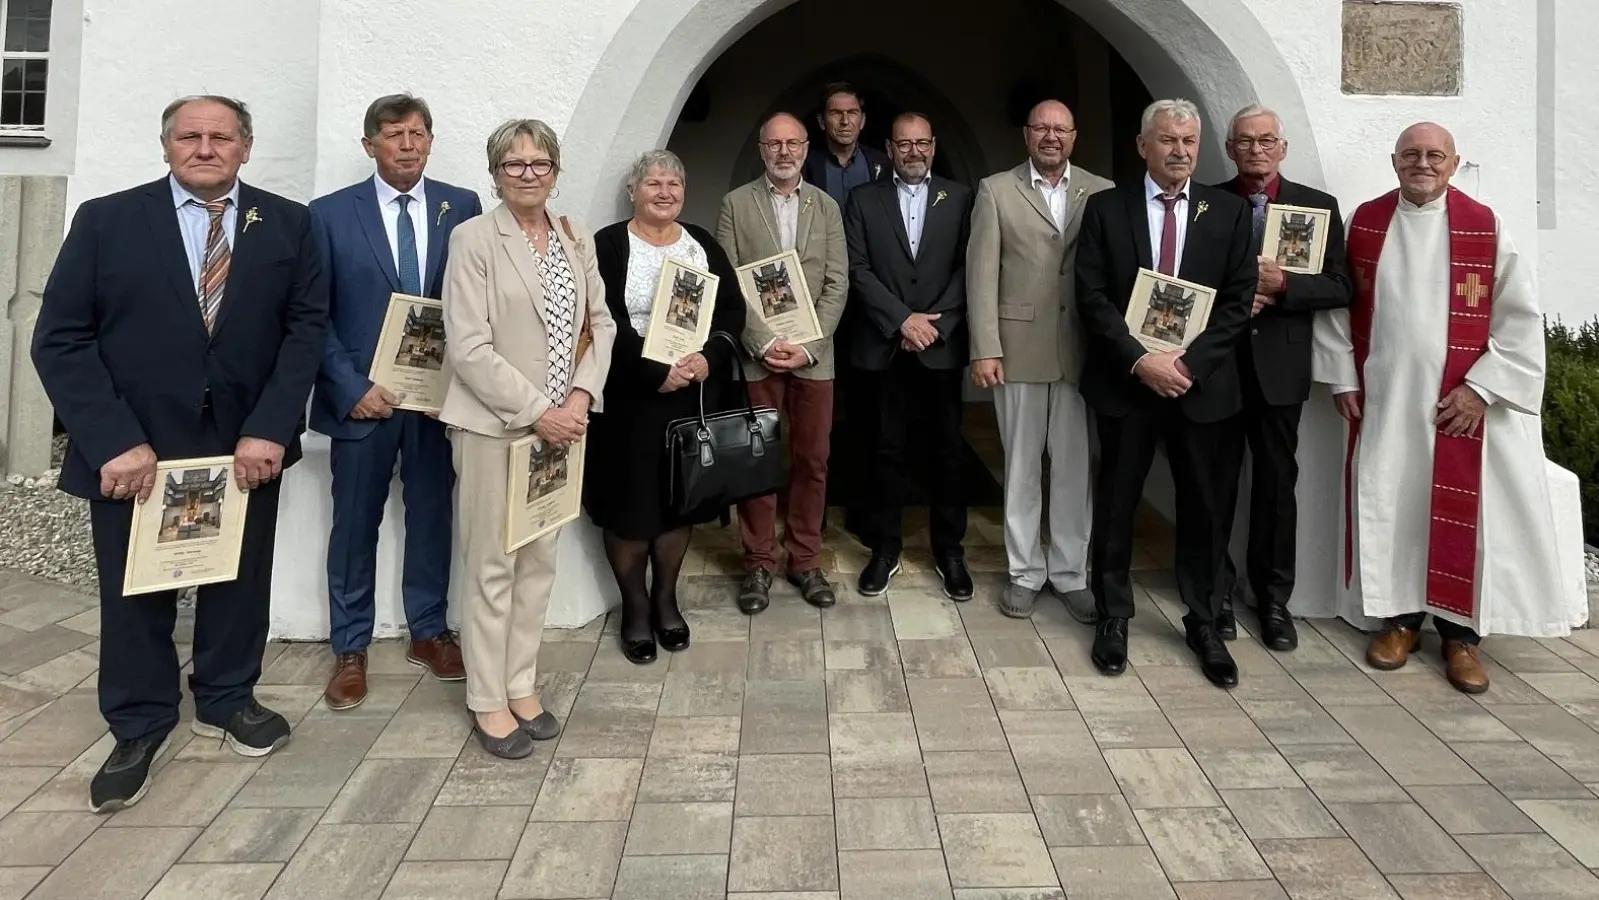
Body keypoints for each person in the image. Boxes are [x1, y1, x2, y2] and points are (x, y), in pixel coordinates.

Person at [31, 95, 329, 811]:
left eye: (220, 137)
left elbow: (305, 331)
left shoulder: (289, 223)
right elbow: (61, 338)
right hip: (138, 450)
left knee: (237, 578)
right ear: (165, 146)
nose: (204, 148)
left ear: (245, 148)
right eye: (188, 136)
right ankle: (138, 721)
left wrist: (270, 428)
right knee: (136, 590)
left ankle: (227, 697)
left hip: (243, 445)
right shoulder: (106, 221)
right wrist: (112, 440)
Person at [1312, 121, 1566, 694]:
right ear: (1394, 161)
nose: (1422, 163)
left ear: (1454, 163)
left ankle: (1459, 636)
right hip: (1387, 399)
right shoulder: (1367, 222)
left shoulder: (1485, 227)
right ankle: (1399, 621)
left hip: (1459, 406)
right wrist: (1341, 377)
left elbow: (1519, 317)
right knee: (1394, 502)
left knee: (1458, 518)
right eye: (1411, 155)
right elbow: (1336, 304)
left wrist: (1482, 390)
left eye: (1434, 155)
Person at [438, 118, 616, 757]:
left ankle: (521, 684)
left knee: (539, 563)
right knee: (493, 566)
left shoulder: (573, 236)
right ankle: (487, 699)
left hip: (565, 428)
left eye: (540, 164)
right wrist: (540, 409)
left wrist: (579, 399)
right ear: (494, 173)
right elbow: (468, 346)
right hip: (496, 428)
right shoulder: (474, 239)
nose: (528, 174)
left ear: (556, 171)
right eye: (514, 165)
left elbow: (601, 324)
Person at [309, 93, 483, 710]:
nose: (407, 144)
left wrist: (458, 386)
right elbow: (313, 315)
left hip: (438, 404)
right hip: (363, 402)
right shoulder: (328, 214)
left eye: (417, 133)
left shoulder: (461, 207)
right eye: (392, 134)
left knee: (434, 515)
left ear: (430, 141)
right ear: (369, 145)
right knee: (355, 523)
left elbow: (471, 303)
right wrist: (350, 388)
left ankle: (429, 631)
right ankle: (350, 648)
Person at [1074, 98, 1256, 687]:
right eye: (1168, 140)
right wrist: (1140, 361)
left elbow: (1237, 301)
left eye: (1189, 142)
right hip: (1129, 384)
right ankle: (1113, 616)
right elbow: (1092, 296)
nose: (1180, 151)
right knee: (1118, 504)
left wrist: (1189, 363)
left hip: (1200, 388)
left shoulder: (1227, 213)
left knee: (1204, 507)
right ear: (1142, 146)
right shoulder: (1105, 209)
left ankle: (1205, 621)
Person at [586, 150, 747, 664]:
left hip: (693, 395)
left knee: (680, 502)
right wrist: (656, 371)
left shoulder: (703, 243)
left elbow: (731, 312)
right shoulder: (609, 245)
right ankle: (635, 608)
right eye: (652, 183)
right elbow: (601, 317)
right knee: (631, 509)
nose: (663, 192)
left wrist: (708, 359)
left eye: (673, 184)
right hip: (631, 398)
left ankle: (665, 599)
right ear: (633, 192)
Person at [1209, 103, 1352, 652]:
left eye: (1266, 140)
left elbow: (1341, 286)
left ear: (1283, 147)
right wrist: (1236, 295)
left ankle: (1272, 599)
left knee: (1275, 487)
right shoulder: (1209, 203)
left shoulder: (1316, 207)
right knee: (1215, 483)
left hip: (1280, 368)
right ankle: (1215, 594)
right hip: (1218, 364)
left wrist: (1285, 284)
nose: (1256, 150)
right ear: (1230, 148)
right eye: (1245, 141)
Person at [967, 98, 1114, 620]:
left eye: (1061, 129)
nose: (1051, 137)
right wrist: (985, 347)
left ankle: (1072, 573)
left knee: (1076, 469)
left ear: (1074, 137)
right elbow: (981, 274)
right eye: (1041, 128)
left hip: (1081, 349)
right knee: (1023, 468)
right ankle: (1024, 572)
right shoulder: (996, 189)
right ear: (1027, 135)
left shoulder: (1101, 191)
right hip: (1017, 348)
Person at [715, 112, 849, 614]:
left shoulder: (828, 207)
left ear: (806, 147)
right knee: (757, 461)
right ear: (761, 149)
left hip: (815, 358)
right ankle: (757, 562)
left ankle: (805, 559)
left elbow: (838, 284)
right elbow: (728, 282)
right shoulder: (735, 204)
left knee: (813, 461)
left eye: (793, 143)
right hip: (760, 357)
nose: (785, 152)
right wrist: (763, 342)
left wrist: (809, 345)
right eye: (775, 143)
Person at [842, 111, 975, 600]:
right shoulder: (862, 200)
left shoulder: (961, 199)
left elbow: (969, 268)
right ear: (890, 147)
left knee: (948, 452)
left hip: (939, 347)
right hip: (884, 347)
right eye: (904, 144)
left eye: (922, 142)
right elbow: (857, 268)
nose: (914, 151)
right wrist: (902, 320)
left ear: (934, 146)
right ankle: (885, 548)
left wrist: (933, 325)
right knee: (884, 450)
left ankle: (950, 551)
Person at [801, 81, 891, 208]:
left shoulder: (883, 163)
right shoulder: (806, 166)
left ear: (863, 120)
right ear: (821, 121)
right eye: (836, 113)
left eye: (852, 113)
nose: (845, 121)